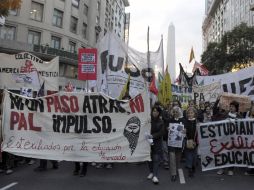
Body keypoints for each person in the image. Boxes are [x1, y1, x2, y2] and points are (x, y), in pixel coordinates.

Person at [217, 100, 241, 176]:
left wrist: (235, 122)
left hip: (234, 138)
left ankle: (230, 169)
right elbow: (218, 120)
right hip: (225, 137)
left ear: (236, 108)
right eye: (230, 106)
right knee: (223, 153)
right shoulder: (225, 114)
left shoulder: (239, 116)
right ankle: (222, 168)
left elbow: (242, 126)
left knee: (232, 154)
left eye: (233, 106)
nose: (231, 108)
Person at [146, 106, 164, 184]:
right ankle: (151, 172)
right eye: (153, 111)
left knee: (156, 159)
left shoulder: (161, 122)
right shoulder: (148, 120)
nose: (155, 112)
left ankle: (155, 176)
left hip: (157, 143)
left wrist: (153, 136)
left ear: (159, 112)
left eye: (156, 111)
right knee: (149, 158)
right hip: (148, 143)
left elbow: (161, 133)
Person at [167, 106, 185, 182]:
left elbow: (185, 129)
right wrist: (167, 129)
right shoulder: (170, 120)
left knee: (178, 157)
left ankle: (177, 168)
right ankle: (173, 174)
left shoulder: (183, 120)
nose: (175, 113)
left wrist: (184, 131)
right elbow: (167, 129)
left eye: (176, 112)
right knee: (172, 157)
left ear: (179, 112)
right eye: (174, 112)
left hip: (179, 142)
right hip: (171, 142)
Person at [184, 107, 198, 178]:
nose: (190, 114)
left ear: (194, 114)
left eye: (191, 113)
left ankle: (193, 166)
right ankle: (190, 170)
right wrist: (184, 131)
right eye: (189, 113)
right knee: (189, 156)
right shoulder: (186, 122)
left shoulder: (197, 122)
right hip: (188, 140)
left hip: (196, 141)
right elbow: (184, 131)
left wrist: (196, 141)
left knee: (194, 156)